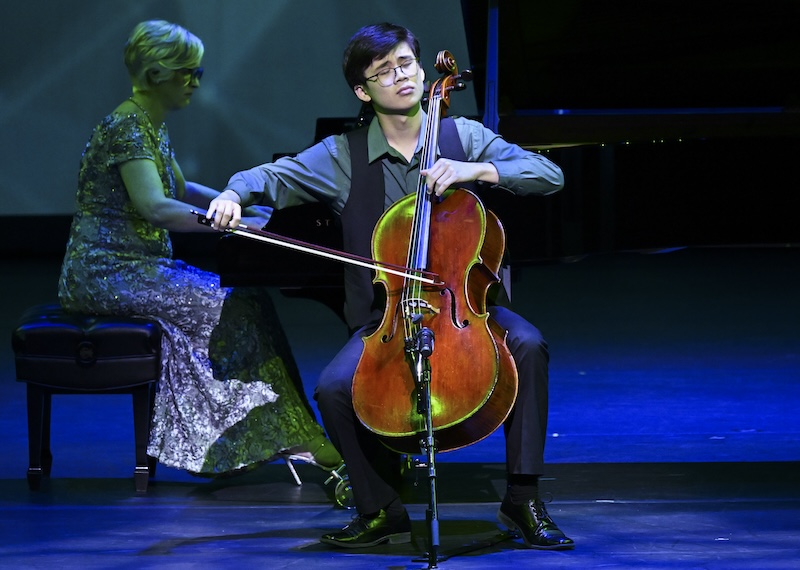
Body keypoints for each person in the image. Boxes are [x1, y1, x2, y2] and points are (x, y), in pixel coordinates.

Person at [207, 22, 574, 550]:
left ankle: (522, 497)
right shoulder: (342, 155)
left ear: (424, 71)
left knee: (530, 345)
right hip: (389, 313)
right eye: (384, 72)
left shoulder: (462, 135)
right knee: (333, 389)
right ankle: (380, 508)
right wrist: (233, 194)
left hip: (468, 308)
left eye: (406, 64)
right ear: (363, 91)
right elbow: (275, 175)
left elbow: (548, 174)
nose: (400, 77)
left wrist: (476, 170)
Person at [58, 20, 341, 479]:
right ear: (156, 75)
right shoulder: (126, 128)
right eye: (188, 73)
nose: (194, 82)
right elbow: (156, 208)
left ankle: (270, 434)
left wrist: (248, 208)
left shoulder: (148, 124)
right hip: (106, 272)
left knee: (248, 299)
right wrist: (226, 225)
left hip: (139, 266)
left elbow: (182, 187)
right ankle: (282, 438)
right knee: (235, 307)